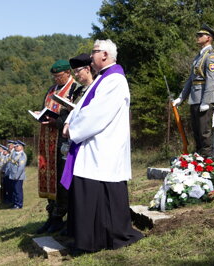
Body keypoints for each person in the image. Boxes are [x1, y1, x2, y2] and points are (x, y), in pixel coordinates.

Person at [61, 39, 143, 252]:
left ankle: (100, 239)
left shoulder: (114, 79)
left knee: (99, 193)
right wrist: (71, 120)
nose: (91, 56)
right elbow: (82, 107)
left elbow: (96, 114)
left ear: (105, 55)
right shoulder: (103, 79)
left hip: (104, 146)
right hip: (95, 144)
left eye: (94, 51)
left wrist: (72, 130)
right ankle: (91, 239)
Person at [36, 60, 80, 234]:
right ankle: (51, 215)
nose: (56, 79)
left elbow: (75, 115)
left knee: (61, 180)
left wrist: (57, 122)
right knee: (48, 177)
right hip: (46, 142)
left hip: (62, 141)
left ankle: (60, 215)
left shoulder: (74, 88)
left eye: (59, 76)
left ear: (68, 73)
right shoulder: (51, 90)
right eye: (53, 76)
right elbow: (45, 108)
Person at [173, 24, 214, 157]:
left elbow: (211, 80)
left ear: (209, 38)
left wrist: (205, 101)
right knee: (196, 133)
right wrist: (181, 97)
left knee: (204, 133)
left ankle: (206, 164)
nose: (198, 37)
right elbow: (191, 80)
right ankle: (198, 161)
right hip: (194, 98)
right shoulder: (198, 56)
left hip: (205, 99)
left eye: (201, 35)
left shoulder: (212, 56)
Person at [9, 140, 27, 209]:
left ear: (21, 147)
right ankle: (15, 203)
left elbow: (21, 167)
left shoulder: (22, 155)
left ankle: (19, 204)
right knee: (14, 190)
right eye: (15, 146)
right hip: (13, 176)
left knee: (18, 191)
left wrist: (16, 176)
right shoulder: (15, 153)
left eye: (17, 146)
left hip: (18, 177)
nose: (15, 147)